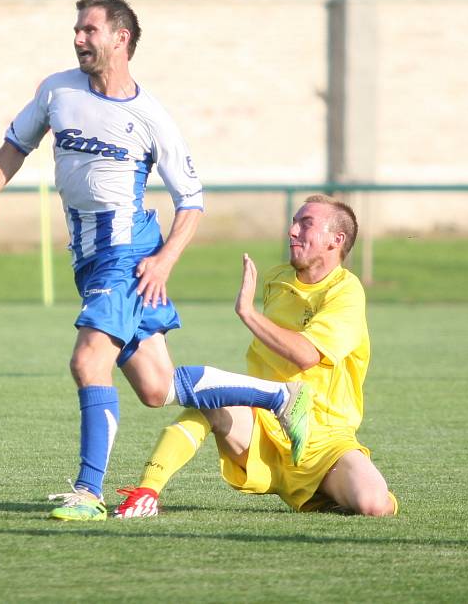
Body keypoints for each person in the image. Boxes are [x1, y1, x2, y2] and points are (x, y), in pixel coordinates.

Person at [0, 0, 312, 522]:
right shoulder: (57, 90)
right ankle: (281, 397)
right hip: (89, 255)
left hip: (126, 253)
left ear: (121, 38)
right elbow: (16, 144)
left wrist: (166, 260)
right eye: (77, 30)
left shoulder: (151, 118)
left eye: (89, 30)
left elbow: (191, 201)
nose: (78, 38)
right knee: (156, 387)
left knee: (87, 361)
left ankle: (88, 492)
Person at [115, 195, 398, 518]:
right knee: (211, 404)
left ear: (337, 240)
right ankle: (145, 493)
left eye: (306, 223)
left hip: (325, 440)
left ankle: (324, 489)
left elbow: (306, 355)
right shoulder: (276, 280)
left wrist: (248, 313)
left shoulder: (345, 292)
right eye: (294, 222)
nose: (292, 230)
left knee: (375, 506)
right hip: (263, 426)